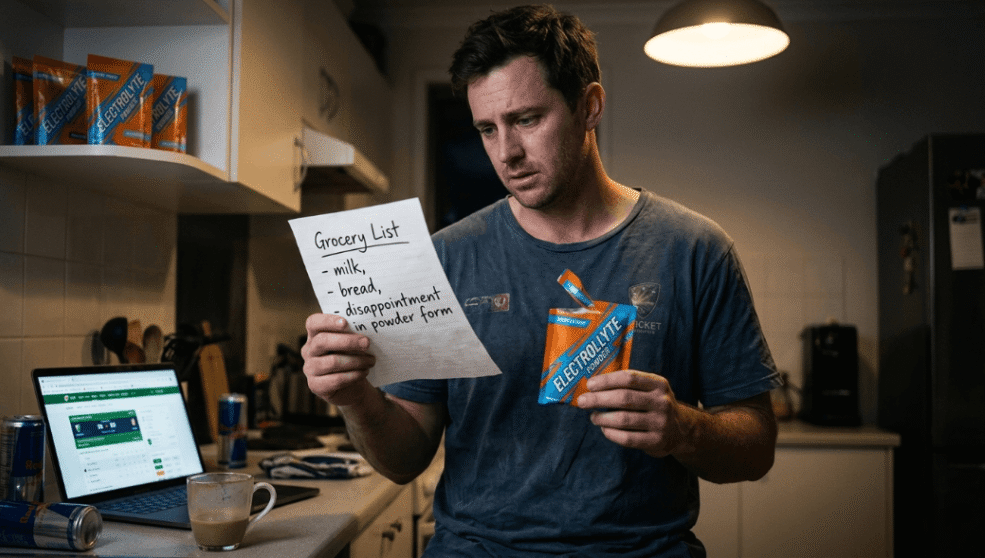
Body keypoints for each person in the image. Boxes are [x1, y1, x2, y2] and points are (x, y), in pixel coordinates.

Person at [301, 4, 782, 557]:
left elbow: (757, 444)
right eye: (487, 128)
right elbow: (406, 459)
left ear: (590, 107)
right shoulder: (444, 259)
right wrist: (355, 397)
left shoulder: (694, 249)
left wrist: (683, 430)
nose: (506, 153)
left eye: (527, 119)